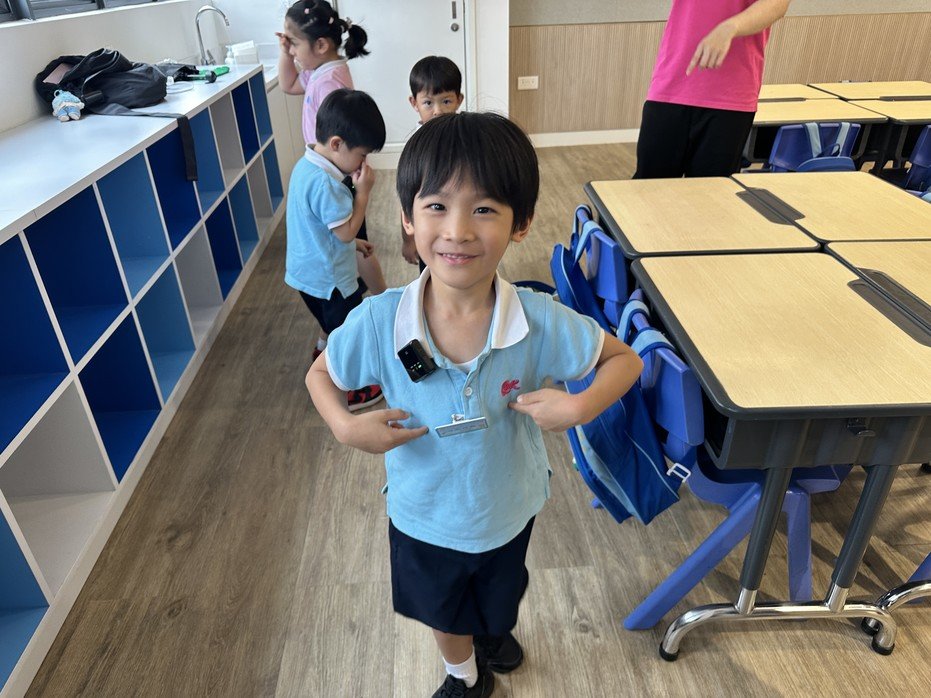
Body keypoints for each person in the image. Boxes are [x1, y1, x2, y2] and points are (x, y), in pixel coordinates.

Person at [306, 112, 643, 697]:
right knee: (444, 611)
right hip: (423, 514)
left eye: (484, 209)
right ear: (408, 218)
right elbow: (320, 375)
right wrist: (344, 426)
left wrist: (579, 407)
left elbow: (625, 361)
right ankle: (463, 674)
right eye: (436, 206)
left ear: (521, 223)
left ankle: (490, 631)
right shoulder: (380, 320)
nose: (458, 230)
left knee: (498, 592)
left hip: (508, 506)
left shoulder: (538, 319)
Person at [277, 0, 387, 295]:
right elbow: (288, 85)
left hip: (338, 174)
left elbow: (346, 138)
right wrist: (285, 51)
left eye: (294, 44)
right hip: (327, 169)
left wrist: (359, 190)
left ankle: (382, 298)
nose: (291, 51)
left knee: (352, 238)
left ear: (321, 45)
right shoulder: (319, 71)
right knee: (349, 239)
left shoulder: (330, 83)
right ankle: (378, 296)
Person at [287, 89, 386, 412]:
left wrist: (353, 243)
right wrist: (363, 194)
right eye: (361, 155)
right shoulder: (330, 185)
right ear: (336, 144)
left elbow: (318, 227)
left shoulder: (305, 166)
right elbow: (344, 233)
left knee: (329, 322)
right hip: (332, 282)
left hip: (307, 275)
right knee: (349, 332)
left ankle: (322, 348)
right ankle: (351, 388)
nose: (363, 163)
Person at [634, 0, 792, 178]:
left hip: (731, 94)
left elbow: (777, 5)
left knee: (710, 192)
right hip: (671, 82)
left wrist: (730, 27)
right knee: (649, 186)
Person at [402, 55, 465, 269]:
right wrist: (408, 240)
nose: (437, 111)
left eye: (446, 101)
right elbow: (407, 198)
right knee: (431, 273)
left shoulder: (466, 137)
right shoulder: (414, 147)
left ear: (459, 99)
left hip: (460, 223)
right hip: (430, 230)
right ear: (414, 103)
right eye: (428, 103)